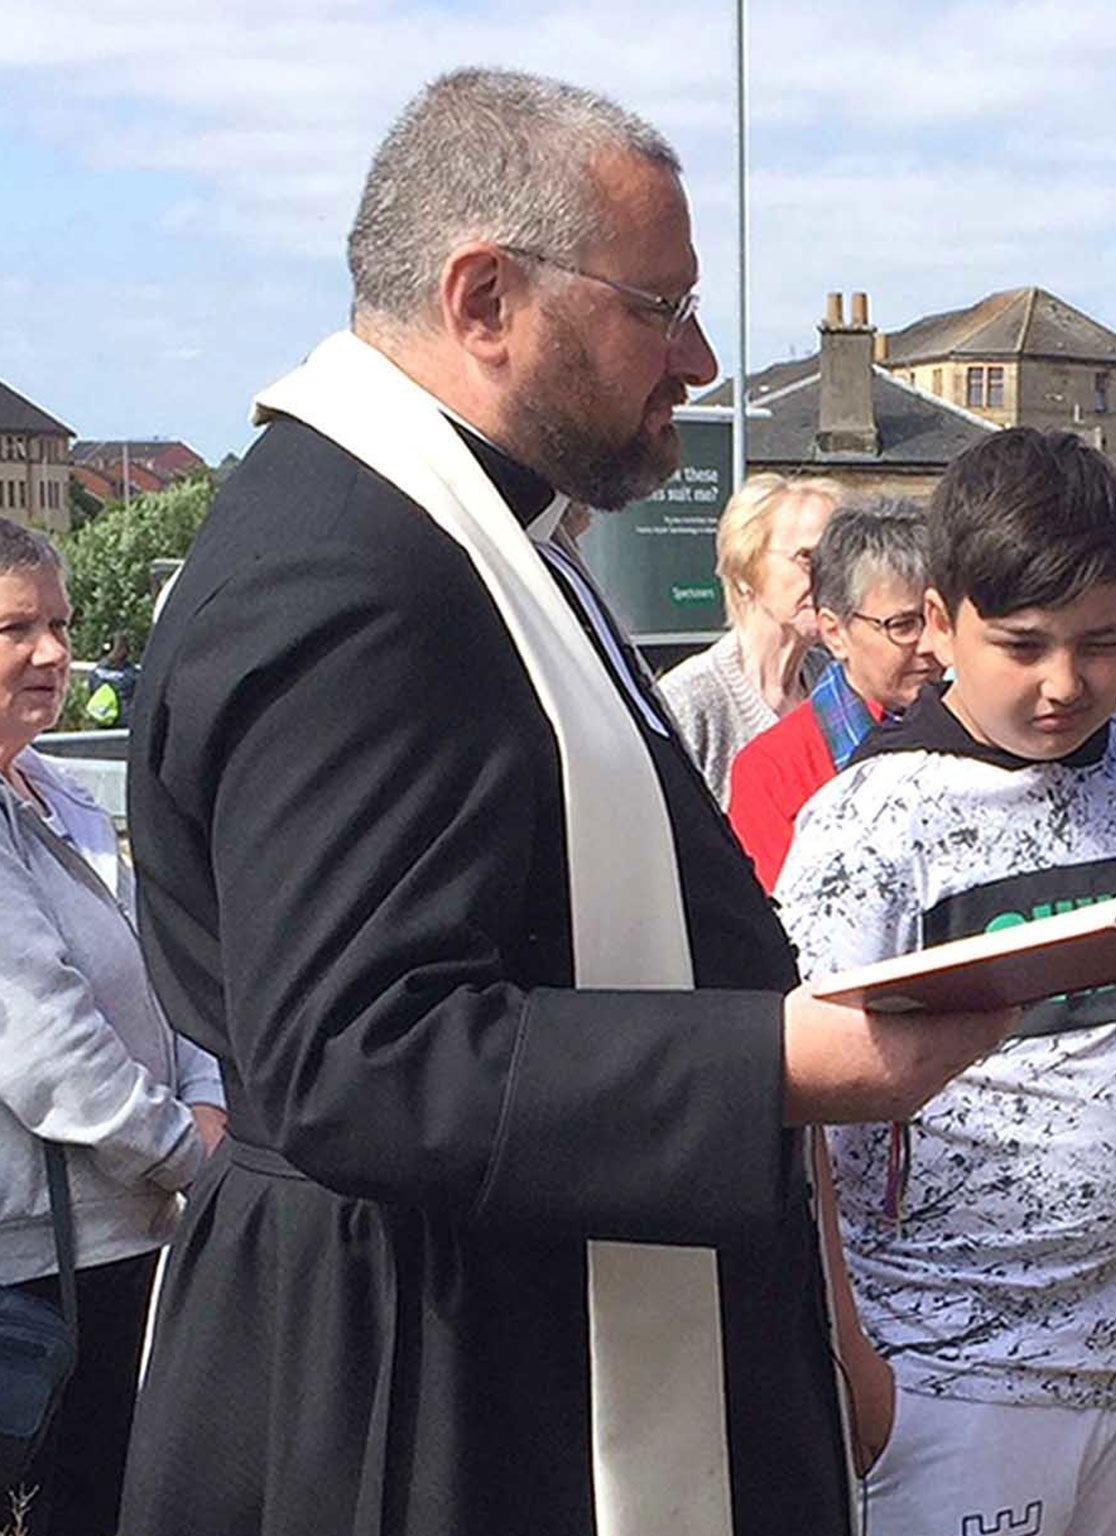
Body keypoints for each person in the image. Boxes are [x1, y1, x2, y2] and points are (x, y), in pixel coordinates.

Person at [118, 69, 1010, 1536]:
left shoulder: (468, 529)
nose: (705, 359)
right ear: (484, 297)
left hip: (517, 1319)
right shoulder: (353, 570)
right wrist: (774, 1067)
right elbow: (357, 1053)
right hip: (435, 1380)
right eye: (659, 309)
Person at [777, 428, 1116, 1536]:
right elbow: (797, 1113)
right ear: (941, 618)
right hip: (945, 1373)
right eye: (1022, 645)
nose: (1066, 684)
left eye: (1101, 642)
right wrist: (850, 1358)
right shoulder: (874, 818)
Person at [0, 522, 226, 1536]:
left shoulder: (52, 795)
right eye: (15, 628)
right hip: (35, 1274)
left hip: (109, 1249)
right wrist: (190, 1153)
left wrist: (210, 1098)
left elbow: (152, 965)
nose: (53, 654)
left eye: (61, 624)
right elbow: (46, 1050)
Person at [727, 499, 938, 889]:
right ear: (835, 632)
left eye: (940, 620)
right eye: (903, 625)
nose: (929, 645)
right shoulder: (772, 771)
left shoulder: (989, 733)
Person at [658, 472, 840, 805]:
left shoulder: (840, 686)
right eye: (808, 558)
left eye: (839, 561)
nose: (830, 579)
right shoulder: (690, 702)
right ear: (744, 569)